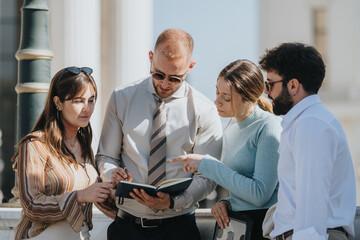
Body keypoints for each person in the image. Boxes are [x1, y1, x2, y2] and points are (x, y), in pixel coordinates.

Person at [96, 29, 223, 240]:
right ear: (150, 58)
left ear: (190, 67)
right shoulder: (122, 98)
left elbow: (208, 176)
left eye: (175, 78)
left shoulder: (205, 110)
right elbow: (105, 156)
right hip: (127, 228)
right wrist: (111, 174)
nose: (164, 84)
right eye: (158, 74)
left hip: (179, 228)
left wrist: (173, 202)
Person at [171, 59, 282, 240]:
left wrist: (207, 164)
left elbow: (261, 195)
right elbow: (241, 189)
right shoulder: (230, 131)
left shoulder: (269, 128)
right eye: (217, 92)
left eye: (226, 97)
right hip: (238, 226)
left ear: (249, 97)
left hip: (264, 229)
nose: (217, 102)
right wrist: (226, 203)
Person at [259, 42, 356, 240]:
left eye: (269, 84)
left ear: (293, 85)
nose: (267, 92)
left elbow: (312, 199)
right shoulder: (306, 122)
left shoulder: (310, 123)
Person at [12, 67, 114, 240]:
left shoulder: (84, 146)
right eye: (78, 101)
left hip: (80, 235)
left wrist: (117, 187)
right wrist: (80, 196)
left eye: (91, 100)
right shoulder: (35, 145)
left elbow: (98, 198)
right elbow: (31, 204)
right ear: (58, 102)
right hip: (42, 235)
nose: (87, 108)